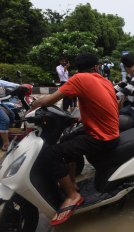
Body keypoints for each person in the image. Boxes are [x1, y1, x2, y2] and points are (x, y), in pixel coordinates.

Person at [28, 53, 119, 226]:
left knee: (51, 154)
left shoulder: (79, 78)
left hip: (101, 136)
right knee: (66, 140)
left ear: (77, 67)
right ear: (97, 67)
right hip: (108, 130)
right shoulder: (104, 80)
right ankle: (72, 183)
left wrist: (32, 104)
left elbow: (50, 99)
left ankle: (72, 195)